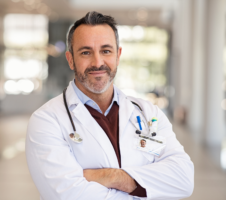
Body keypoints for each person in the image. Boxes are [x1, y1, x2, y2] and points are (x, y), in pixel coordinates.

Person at [26, 11, 194, 200]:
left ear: (118, 55)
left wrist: (112, 177)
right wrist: (143, 188)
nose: (97, 63)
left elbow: (183, 179)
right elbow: (68, 194)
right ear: (70, 59)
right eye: (86, 52)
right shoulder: (47, 120)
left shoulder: (148, 113)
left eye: (106, 51)